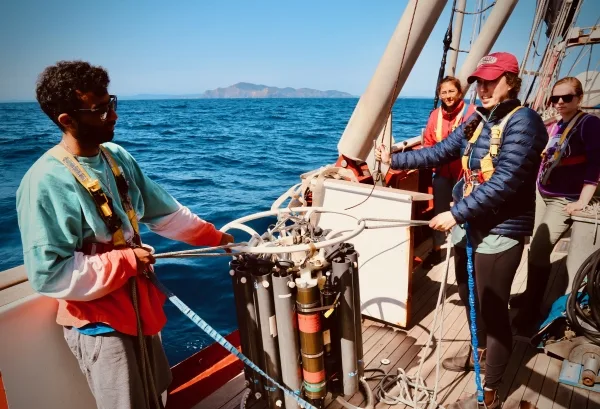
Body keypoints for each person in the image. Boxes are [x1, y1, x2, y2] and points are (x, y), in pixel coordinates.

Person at [16, 60, 234, 409]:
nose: (113, 116)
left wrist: (222, 240)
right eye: (100, 111)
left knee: (157, 391)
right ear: (67, 120)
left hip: (139, 309)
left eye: (111, 104)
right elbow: (49, 276)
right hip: (101, 327)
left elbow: (167, 214)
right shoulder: (44, 182)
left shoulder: (116, 157)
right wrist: (127, 259)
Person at [376, 52, 548, 408]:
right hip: (472, 225)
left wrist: (456, 214)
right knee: (473, 300)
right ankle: (477, 356)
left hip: (501, 232)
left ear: (511, 82)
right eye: (480, 81)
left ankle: (490, 392)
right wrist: (392, 159)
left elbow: (506, 181)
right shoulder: (479, 120)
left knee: (494, 311)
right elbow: (440, 151)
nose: (483, 88)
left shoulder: (525, 122)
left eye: (491, 81)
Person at [510, 77, 600, 330]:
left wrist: (583, 200)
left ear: (579, 98)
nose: (559, 102)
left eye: (567, 98)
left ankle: (531, 310)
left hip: (564, 199)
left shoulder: (589, 124)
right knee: (535, 248)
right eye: (555, 98)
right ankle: (531, 293)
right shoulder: (557, 126)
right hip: (544, 193)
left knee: (539, 247)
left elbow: (595, 164)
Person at [421, 76, 476, 268]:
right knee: (439, 212)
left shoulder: (472, 112)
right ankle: (437, 250)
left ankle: (467, 249)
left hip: (465, 175)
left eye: (451, 91)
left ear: (460, 93)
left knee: (466, 211)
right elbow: (428, 142)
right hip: (442, 174)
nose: (447, 96)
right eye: (443, 92)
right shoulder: (435, 115)